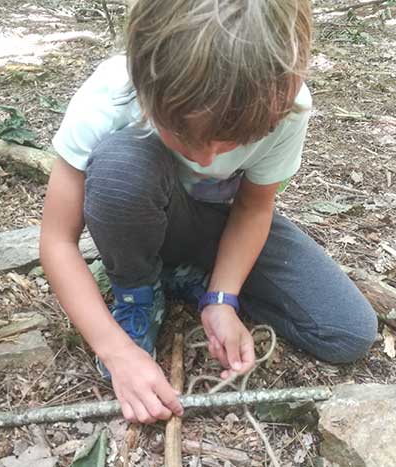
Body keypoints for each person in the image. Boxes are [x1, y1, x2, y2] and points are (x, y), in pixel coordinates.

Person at [40, 0, 378, 425]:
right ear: (145, 84)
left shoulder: (284, 103)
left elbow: (255, 207)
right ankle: (139, 289)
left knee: (347, 331)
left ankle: (191, 279)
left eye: (235, 139)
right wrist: (115, 349)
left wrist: (222, 298)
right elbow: (56, 240)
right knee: (122, 167)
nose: (206, 157)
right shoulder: (110, 95)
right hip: (143, 214)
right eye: (182, 132)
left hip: (221, 225)